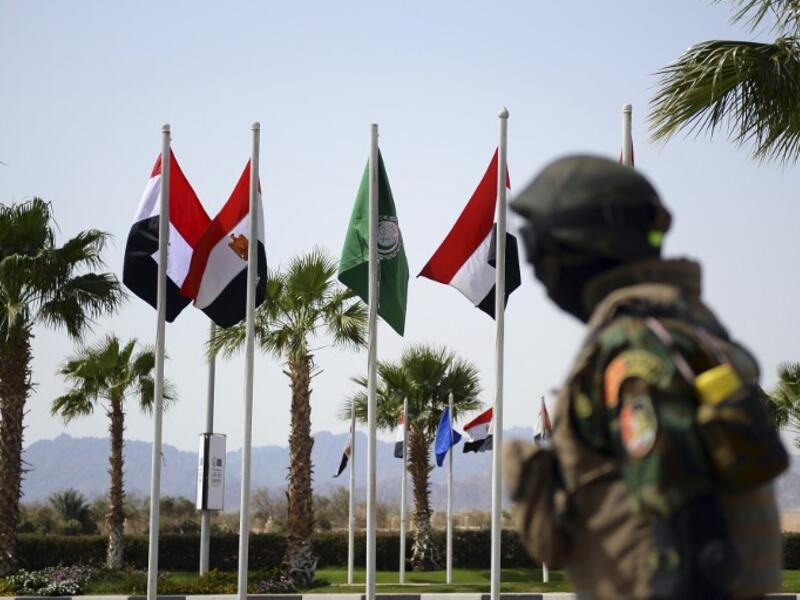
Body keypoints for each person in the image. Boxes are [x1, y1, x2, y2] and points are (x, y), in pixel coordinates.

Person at [505, 155, 787, 599]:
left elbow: (686, 537)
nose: (539, 268)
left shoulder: (634, 350)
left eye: (539, 244)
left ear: (577, 245)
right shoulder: (686, 328)